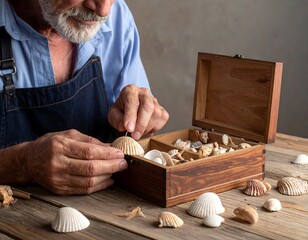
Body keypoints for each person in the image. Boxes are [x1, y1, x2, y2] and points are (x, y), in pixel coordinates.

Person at [0, 0, 169, 195]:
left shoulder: (117, 16)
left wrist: (134, 123)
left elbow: (136, 140)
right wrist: (21, 164)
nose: (103, 11)